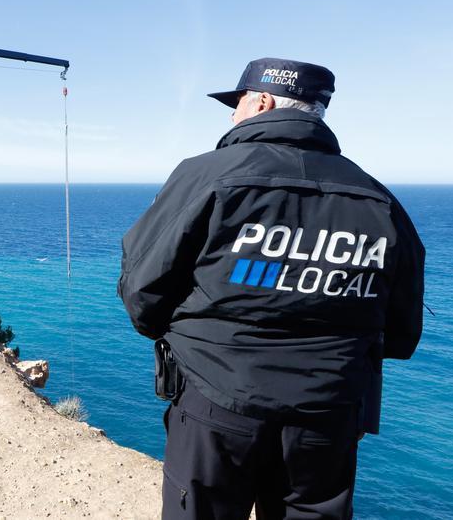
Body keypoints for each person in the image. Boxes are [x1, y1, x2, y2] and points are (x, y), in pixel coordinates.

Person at [118, 58, 424, 519]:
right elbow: (402, 334)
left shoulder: (208, 175)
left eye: (235, 103)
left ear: (261, 101)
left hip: (217, 399)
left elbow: (143, 295)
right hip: (329, 413)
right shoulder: (377, 198)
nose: (231, 115)